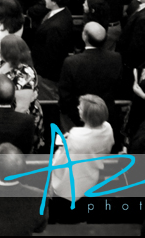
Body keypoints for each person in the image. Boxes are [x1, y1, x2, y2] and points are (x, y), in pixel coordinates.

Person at [48, 95, 115, 223]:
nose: (78, 107)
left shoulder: (76, 136)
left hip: (71, 184)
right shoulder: (107, 128)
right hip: (93, 178)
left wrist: (63, 147)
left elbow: (58, 163)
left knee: (65, 219)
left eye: (81, 107)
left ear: (88, 115)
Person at [58, 22, 123, 130]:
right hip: (106, 115)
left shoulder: (71, 62)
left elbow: (65, 96)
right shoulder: (116, 58)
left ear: (84, 36)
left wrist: (76, 116)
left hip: (79, 117)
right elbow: (118, 86)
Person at [30, 0, 74, 82]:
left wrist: (41, 73)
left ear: (54, 2)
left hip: (47, 76)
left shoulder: (55, 27)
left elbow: (52, 57)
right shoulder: (64, 11)